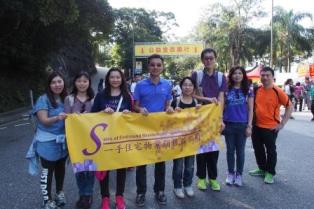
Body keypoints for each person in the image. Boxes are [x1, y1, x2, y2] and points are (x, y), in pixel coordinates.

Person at [134, 54, 173, 207]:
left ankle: (160, 191)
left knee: (160, 162)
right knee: (141, 163)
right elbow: (135, 106)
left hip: (160, 130)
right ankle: (141, 192)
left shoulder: (168, 84)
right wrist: (139, 109)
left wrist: (169, 108)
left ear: (162, 67)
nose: (155, 67)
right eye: (152, 65)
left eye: (158, 65)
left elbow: (167, 105)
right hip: (143, 129)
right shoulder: (140, 85)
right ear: (148, 67)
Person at [91, 68, 133, 209]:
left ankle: (120, 197)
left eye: (118, 77)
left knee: (121, 168)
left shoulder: (128, 96)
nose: (115, 79)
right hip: (104, 138)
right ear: (108, 79)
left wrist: (128, 113)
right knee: (104, 168)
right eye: (112, 77)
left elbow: (133, 118)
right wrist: (102, 112)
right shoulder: (101, 96)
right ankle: (105, 198)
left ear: (122, 79)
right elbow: (92, 116)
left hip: (121, 138)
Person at [191, 48, 227, 191]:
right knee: (201, 150)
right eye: (206, 58)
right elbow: (191, 94)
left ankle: (212, 179)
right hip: (200, 118)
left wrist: (221, 119)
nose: (208, 61)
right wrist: (207, 99)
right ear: (202, 60)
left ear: (215, 59)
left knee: (213, 150)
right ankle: (201, 178)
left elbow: (221, 98)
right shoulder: (197, 75)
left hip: (214, 119)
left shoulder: (220, 77)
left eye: (211, 58)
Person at [249, 67, 293, 184]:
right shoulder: (256, 90)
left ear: (273, 77)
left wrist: (282, 124)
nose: (265, 78)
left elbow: (290, 106)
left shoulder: (278, 91)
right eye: (263, 75)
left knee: (271, 150)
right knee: (258, 149)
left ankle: (270, 172)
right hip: (256, 126)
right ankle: (262, 169)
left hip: (271, 127)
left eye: (267, 75)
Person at [32, 72, 68, 209]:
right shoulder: (43, 99)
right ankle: (47, 200)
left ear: (63, 83)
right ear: (49, 85)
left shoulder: (67, 98)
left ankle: (59, 193)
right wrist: (58, 118)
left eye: (59, 81)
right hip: (47, 142)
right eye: (53, 82)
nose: (57, 85)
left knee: (60, 169)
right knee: (48, 171)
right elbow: (44, 120)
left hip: (62, 141)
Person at [64, 72, 95, 209]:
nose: (82, 83)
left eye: (85, 81)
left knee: (90, 169)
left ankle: (88, 195)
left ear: (89, 83)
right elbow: (65, 119)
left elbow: (100, 117)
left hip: (92, 141)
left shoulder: (94, 99)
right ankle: (82, 194)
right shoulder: (69, 99)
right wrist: (73, 117)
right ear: (74, 82)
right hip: (75, 140)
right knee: (79, 169)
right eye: (79, 81)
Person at [223, 66, 254, 187]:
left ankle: (239, 175)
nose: (237, 75)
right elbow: (222, 106)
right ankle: (230, 173)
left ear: (243, 75)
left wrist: (249, 126)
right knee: (230, 151)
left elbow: (251, 109)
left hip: (242, 125)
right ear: (231, 75)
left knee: (240, 151)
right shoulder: (226, 89)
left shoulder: (248, 90)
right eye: (234, 73)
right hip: (228, 124)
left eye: (240, 73)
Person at [171, 77, 201, 198]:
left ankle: (188, 185)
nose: (187, 87)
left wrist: (200, 112)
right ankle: (177, 187)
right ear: (181, 87)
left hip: (191, 140)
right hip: (178, 140)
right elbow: (167, 120)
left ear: (193, 87)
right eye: (185, 85)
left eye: (190, 85)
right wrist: (173, 112)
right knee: (178, 166)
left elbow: (201, 121)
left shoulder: (196, 103)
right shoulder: (176, 101)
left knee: (190, 165)